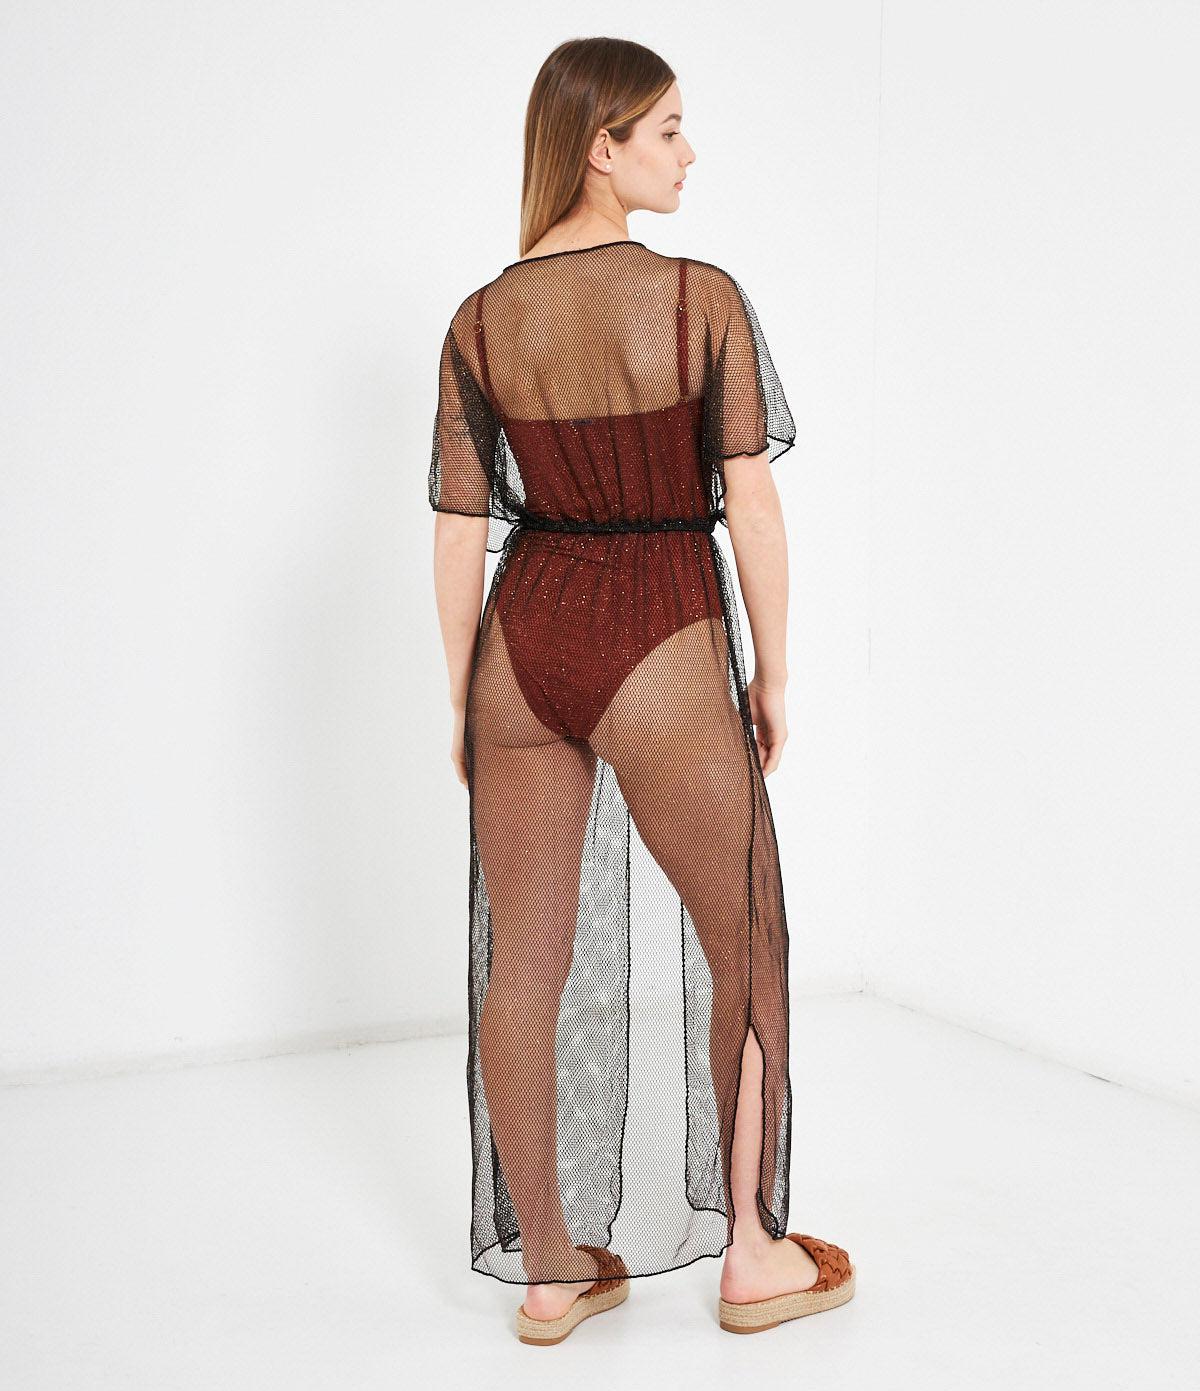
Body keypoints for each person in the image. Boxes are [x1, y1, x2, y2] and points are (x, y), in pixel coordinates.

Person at [428, 37, 856, 1343]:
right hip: (660, 629)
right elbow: (751, 504)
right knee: (750, 935)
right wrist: (772, 669)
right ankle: (755, 1255)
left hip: (519, 646)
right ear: (600, 147)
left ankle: (553, 1269)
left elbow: (458, 529)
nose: (688, 151)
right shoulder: (697, 299)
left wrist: (465, 699)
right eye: (667, 129)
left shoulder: (480, 320)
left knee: (525, 964)